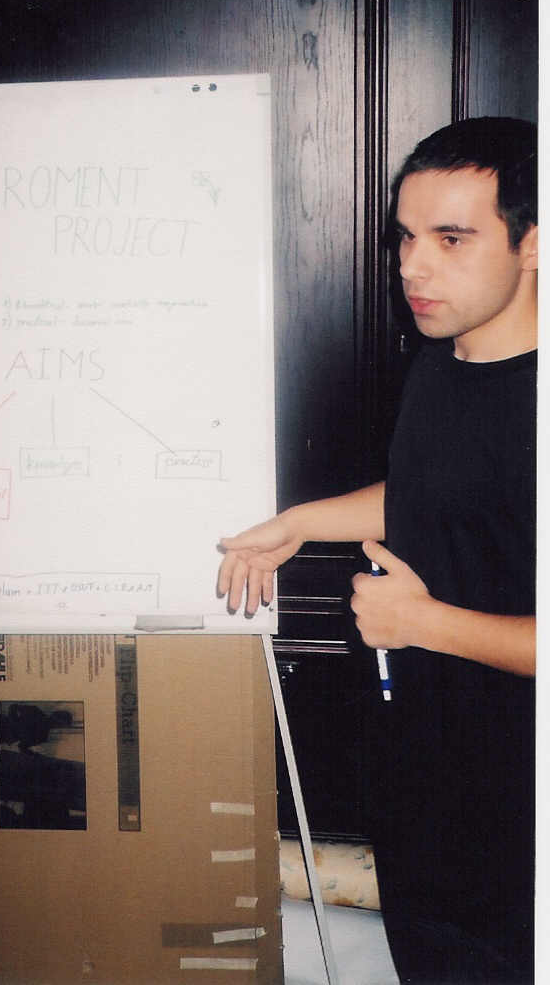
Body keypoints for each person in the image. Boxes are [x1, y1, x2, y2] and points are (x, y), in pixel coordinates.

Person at [217, 117, 537, 984]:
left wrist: (423, 623)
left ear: (533, 243)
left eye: (452, 239)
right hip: (422, 786)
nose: (413, 267)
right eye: (406, 236)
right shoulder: (444, 359)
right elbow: (439, 492)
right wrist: (300, 522)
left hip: (518, 819)